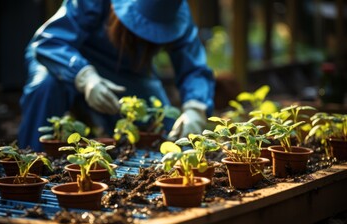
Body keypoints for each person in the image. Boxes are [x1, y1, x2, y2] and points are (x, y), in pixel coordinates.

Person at [18, 0, 216, 151]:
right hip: (65, 58)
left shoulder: (175, 12)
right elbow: (50, 42)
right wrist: (85, 76)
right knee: (46, 86)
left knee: (163, 126)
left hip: (126, 71)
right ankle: (30, 163)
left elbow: (195, 69)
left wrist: (195, 108)